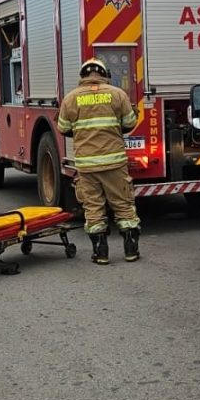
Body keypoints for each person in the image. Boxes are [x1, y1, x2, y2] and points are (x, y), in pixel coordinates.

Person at [56, 57, 141, 264]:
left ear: (83, 76)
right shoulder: (117, 94)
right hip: (114, 163)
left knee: (93, 207)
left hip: (86, 165)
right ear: (105, 75)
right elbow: (130, 122)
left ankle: (100, 252)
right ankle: (130, 250)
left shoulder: (71, 99)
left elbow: (63, 128)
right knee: (123, 205)